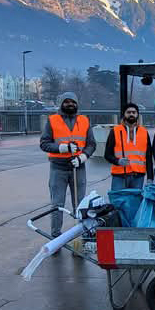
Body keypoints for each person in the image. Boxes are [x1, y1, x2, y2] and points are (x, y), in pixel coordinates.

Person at [39, 91, 96, 239]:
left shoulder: (84, 120)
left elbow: (91, 144)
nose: (70, 104)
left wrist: (83, 156)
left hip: (78, 167)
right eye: (66, 101)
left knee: (80, 203)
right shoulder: (52, 120)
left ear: (77, 104)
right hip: (58, 168)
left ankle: (82, 233)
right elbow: (44, 144)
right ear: (61, 103)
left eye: (73, 102)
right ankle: (56, 236)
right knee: (57, 204)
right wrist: (61, 148)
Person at [104, 103, 153, 190]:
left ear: (137, 115)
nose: (131, 114)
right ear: (124, 114)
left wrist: (150, 177)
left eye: (134, 112)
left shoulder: (144, 132)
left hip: (138, 177)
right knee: (118, 199)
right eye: (128, 112)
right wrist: (117, 161)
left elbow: (148, 156)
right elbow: (107, 155)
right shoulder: (115, 131)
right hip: (119, 176)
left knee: (136, 199)